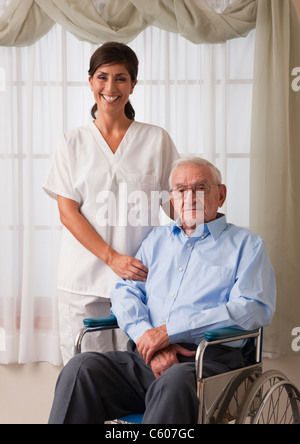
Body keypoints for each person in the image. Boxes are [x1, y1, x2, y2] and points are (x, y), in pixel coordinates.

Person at [48, 157, 276, 424]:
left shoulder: (246, 246)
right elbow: (125, 292)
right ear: (173, 199)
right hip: (145, 357)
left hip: (206, 363)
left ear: (221, 194)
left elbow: (253, 308)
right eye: (181, 190)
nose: (190, 198)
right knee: (80, 369)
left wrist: (170, 332)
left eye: (200, 188)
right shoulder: (156, 240)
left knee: (175, 381)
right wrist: (149, 338)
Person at [43, 42, 180, 365]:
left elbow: (177, 207)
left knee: (137, 383)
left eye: (121, 78)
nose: (110, 87)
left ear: (133, 85)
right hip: (83, 284)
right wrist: (113, 258)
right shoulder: (72, 142)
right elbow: (67, 212)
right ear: (90, 81)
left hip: (140, 285)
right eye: (102, 77)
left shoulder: (156, 140)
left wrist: (212, 235)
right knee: (85, 380)